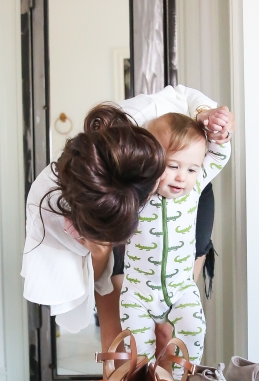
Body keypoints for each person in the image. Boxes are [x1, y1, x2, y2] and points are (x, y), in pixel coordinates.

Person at [20, 85, 233, 350]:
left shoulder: (144, 121)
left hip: (187, 198)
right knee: (119, 338)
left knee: (168, 329)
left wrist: (206, 115)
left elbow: (184, 95)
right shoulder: (52, 209)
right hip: (103, 214)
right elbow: (94, 280)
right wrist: (98, 251)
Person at [118, 110, 231, 366]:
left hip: (181, 288)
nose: (183, 177)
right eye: (172, 166)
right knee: (137, 352)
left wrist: (218, 134)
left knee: (194, 330)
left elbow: (220, 155)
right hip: (137, 293)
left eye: (192, 168)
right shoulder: (136, 194)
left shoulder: (195, 187)